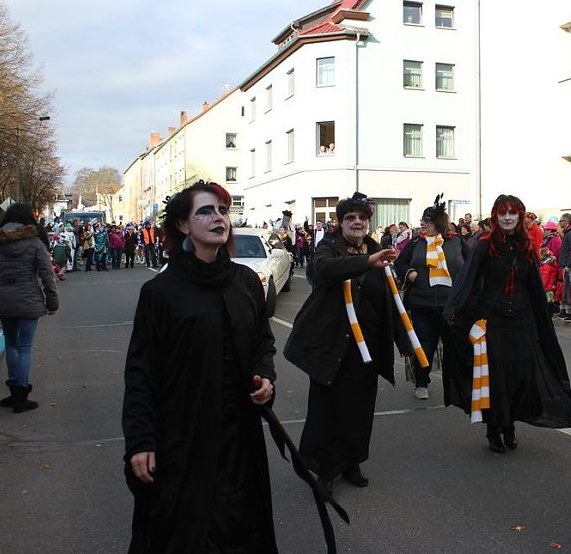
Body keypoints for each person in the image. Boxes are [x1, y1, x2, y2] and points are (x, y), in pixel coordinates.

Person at [122, 181, 282, 551]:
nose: (218, 218)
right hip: (184, 438)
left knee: (242, 528)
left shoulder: (244, 281)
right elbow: (141, 372)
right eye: (205, 211)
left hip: (240, 438)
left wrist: (266, 377)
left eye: (223, 211)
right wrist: (141, 440)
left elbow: (262, 341)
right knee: (190, 531)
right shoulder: (161, 293)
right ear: (183, 226)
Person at [284, 192, 409, 496]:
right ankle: (324, 471)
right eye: (350, 218)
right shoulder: (329, 248)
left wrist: (403, 342)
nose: (356, 222)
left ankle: (352, 461)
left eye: (362, 218)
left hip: (367, 348)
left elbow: (390, 299)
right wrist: (366, 262)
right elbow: (324, 271)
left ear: (369, 223)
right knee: (326, 410)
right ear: (340, 223)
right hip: (333, 344)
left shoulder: (379, 249)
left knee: (360, 409)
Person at [442, 194, 571, 453]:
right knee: (495, 377)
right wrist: (452, 309)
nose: (507, 217)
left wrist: (543, 318)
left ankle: (510, 425)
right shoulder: (484, 246)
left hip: (523, 322)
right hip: (492, 322)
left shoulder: (527, 246)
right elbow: (467, 280)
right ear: (495, 215)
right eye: (502, 212)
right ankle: (494, 428)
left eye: (512, 212)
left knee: (520, 377)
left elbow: (534, 286)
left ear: (519, 216)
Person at [0, 203, 59, 413]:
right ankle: (21, 393)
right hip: (29, 299)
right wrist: (52, 302)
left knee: (11, 344)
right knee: (25, 347)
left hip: (5, 298)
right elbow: (47, 275)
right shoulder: (35, 242)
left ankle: (13, 390)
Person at [395, 195, 468, 400]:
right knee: (424, 346)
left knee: (455, 347)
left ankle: (458, 386)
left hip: (451, 306)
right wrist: (408, 272)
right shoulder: (416, 242)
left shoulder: (457, 242)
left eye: (426, 222)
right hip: (422, 303)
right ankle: (421, 382)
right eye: (422, 221)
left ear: (438, 224)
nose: (422, 225)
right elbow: (400, 263)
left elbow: (472, 267)